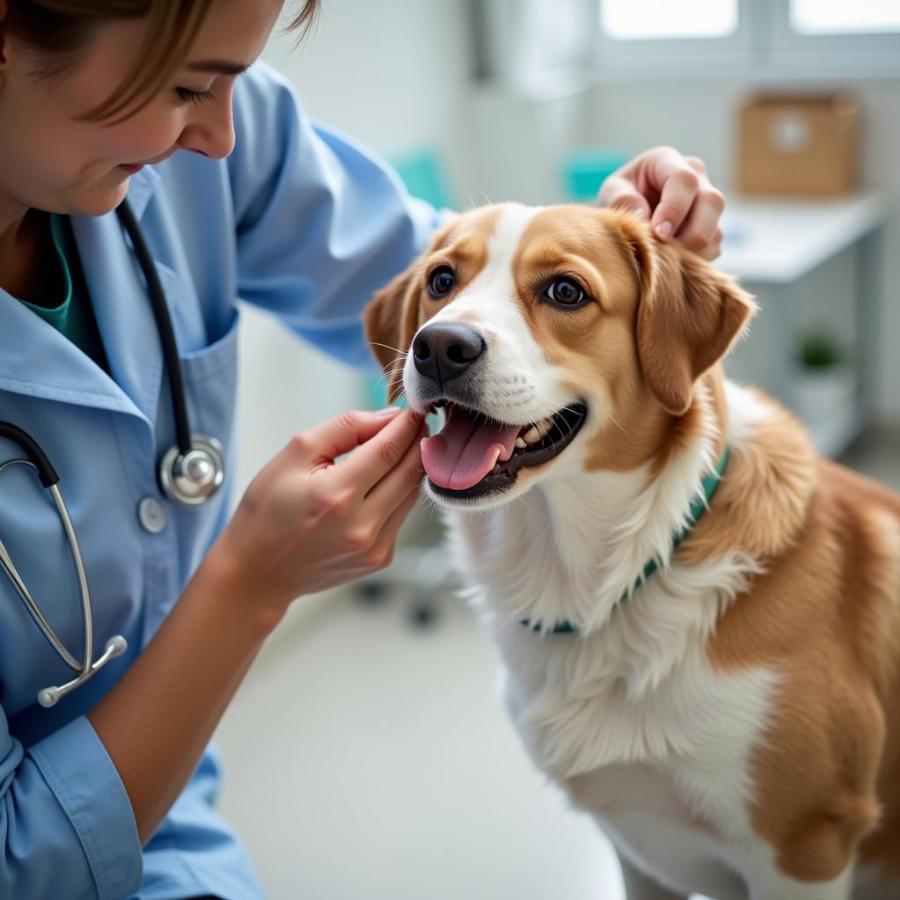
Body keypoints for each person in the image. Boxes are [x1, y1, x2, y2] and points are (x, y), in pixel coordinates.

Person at [0, 1, 727, 897]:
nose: (223, 139)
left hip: (175, 813)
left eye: (234, 82)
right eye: (189, 86)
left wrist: (603, 237)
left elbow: (437, 272)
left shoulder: (213, 141)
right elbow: (19, 863)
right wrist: (249, 583)